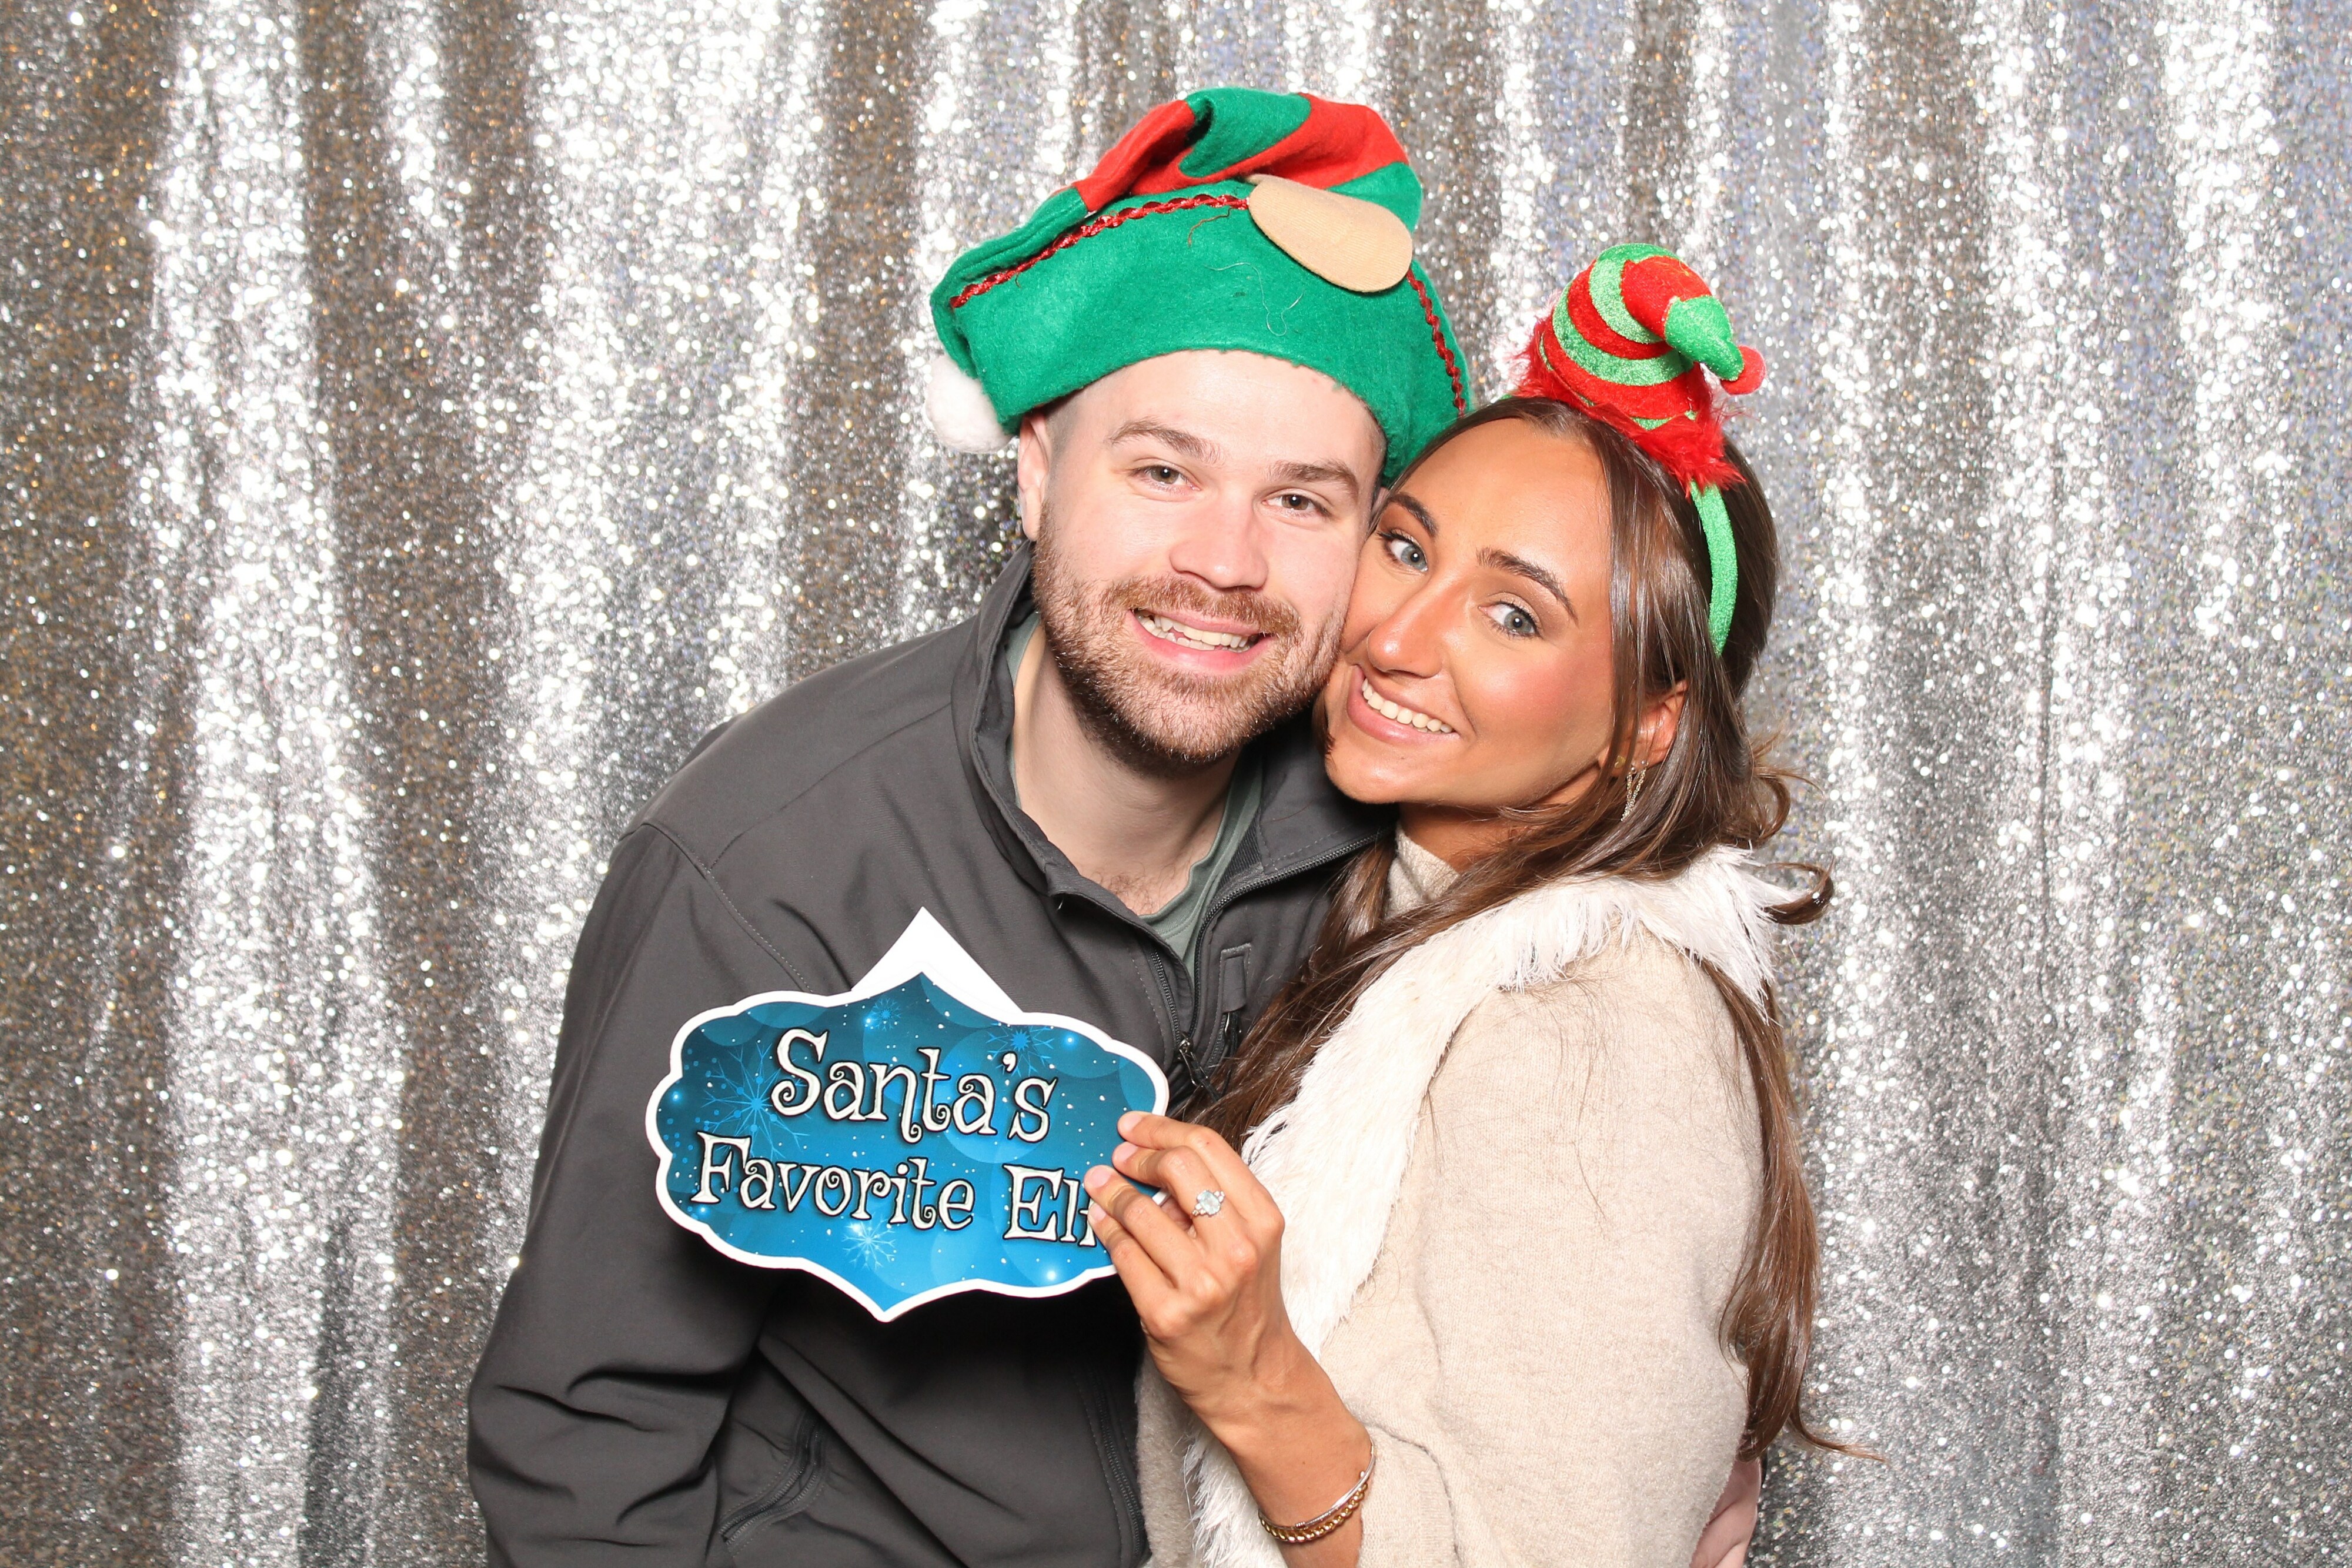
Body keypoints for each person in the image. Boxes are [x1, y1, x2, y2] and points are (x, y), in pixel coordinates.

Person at [466, 88, 1469, 1566]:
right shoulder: (769, 867)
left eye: (1301, 502)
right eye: (1162, 470)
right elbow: (586, 1439)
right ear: (1035, 469)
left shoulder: (1413, 851)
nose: (1223, 561)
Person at [1083, 246, 1832, 1566]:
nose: (1396, 637)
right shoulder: (1381, 906)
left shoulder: (1597, 1030)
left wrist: (1257, 1380)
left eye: (1512, 616)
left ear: (1648, 723)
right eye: (1404, 546)